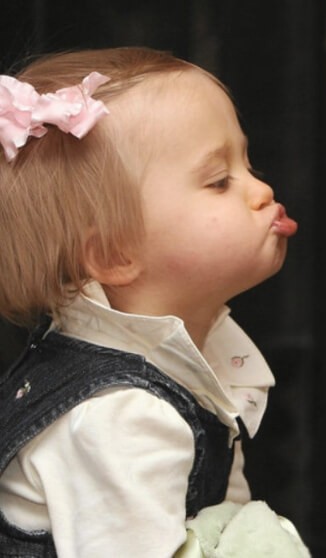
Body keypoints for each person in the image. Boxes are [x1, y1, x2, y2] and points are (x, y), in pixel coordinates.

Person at [0, 47, 308, 557]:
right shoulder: (122, 416)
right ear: (115, 254)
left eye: (248, 163)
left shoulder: (187, 365)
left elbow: (226, 524)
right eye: (219, 181)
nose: (261, 190)